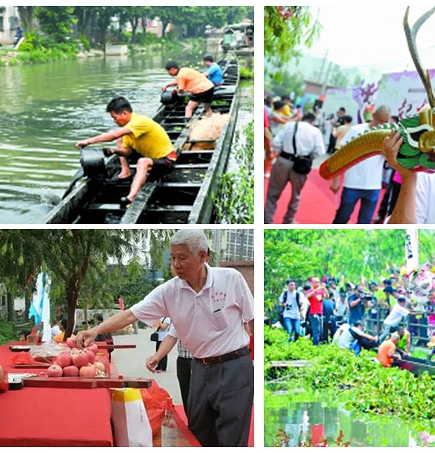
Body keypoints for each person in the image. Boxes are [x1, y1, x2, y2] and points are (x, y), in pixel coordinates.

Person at [73, 230, 253, 447]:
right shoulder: (169, 291)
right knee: (199, 433)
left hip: (234, 366)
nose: (176, 264)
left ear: (203, 256)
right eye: (173, 257)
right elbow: (131, 314)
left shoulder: (230, 279)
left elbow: (251, 319)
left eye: (183, 258)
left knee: (231, 436)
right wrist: (94, 331)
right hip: (200, 370)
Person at [75, 97, 176, 205]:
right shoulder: (128, 130)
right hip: (147, 155)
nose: (114, 121)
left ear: (124, 113)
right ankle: (125, 171)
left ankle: (131, 196)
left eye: (115, 117)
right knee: (120, 141)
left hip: (167, 160)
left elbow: (113, 134)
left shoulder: (141, 121)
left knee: (143, 162)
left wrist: (88, 141)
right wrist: (114, 151)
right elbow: (127, 151)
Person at [330, 105, 393, 224]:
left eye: (385, 121)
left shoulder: (388, 135)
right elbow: (341, 156)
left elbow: (389, 160)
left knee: (365, 222)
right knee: (342, 218)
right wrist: (336, 180)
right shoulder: (356, 130)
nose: (382, 124)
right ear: (373, 116)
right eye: (380, 120)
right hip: (352, 184)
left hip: (373, 186)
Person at [264, 112, 326, 224]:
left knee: (273, 194)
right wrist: (307, 157)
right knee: (295, 195)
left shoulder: (289, 125)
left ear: (302, 118)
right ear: (313, 122)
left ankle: (267, 220)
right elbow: (319, 151)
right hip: (301, 165)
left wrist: (280, 153)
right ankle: (288, 220)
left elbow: (276, 142)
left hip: (283, 161)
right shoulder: (315, 131)